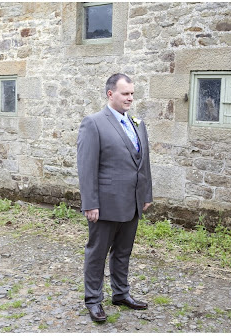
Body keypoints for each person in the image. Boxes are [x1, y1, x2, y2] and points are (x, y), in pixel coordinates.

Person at [77, 73, 153, 322]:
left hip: (132, 202)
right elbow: (87, 166)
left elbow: (144, 164)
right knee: (97, 253)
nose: (130, 98)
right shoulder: (94, 123)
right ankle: (93, 300)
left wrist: (146, 194)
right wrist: (90, 203)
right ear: (110, 94)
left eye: (132, 93)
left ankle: (120, 293)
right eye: (125, 94)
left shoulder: (137, 124)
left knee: (123, 252)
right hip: (105, 204)